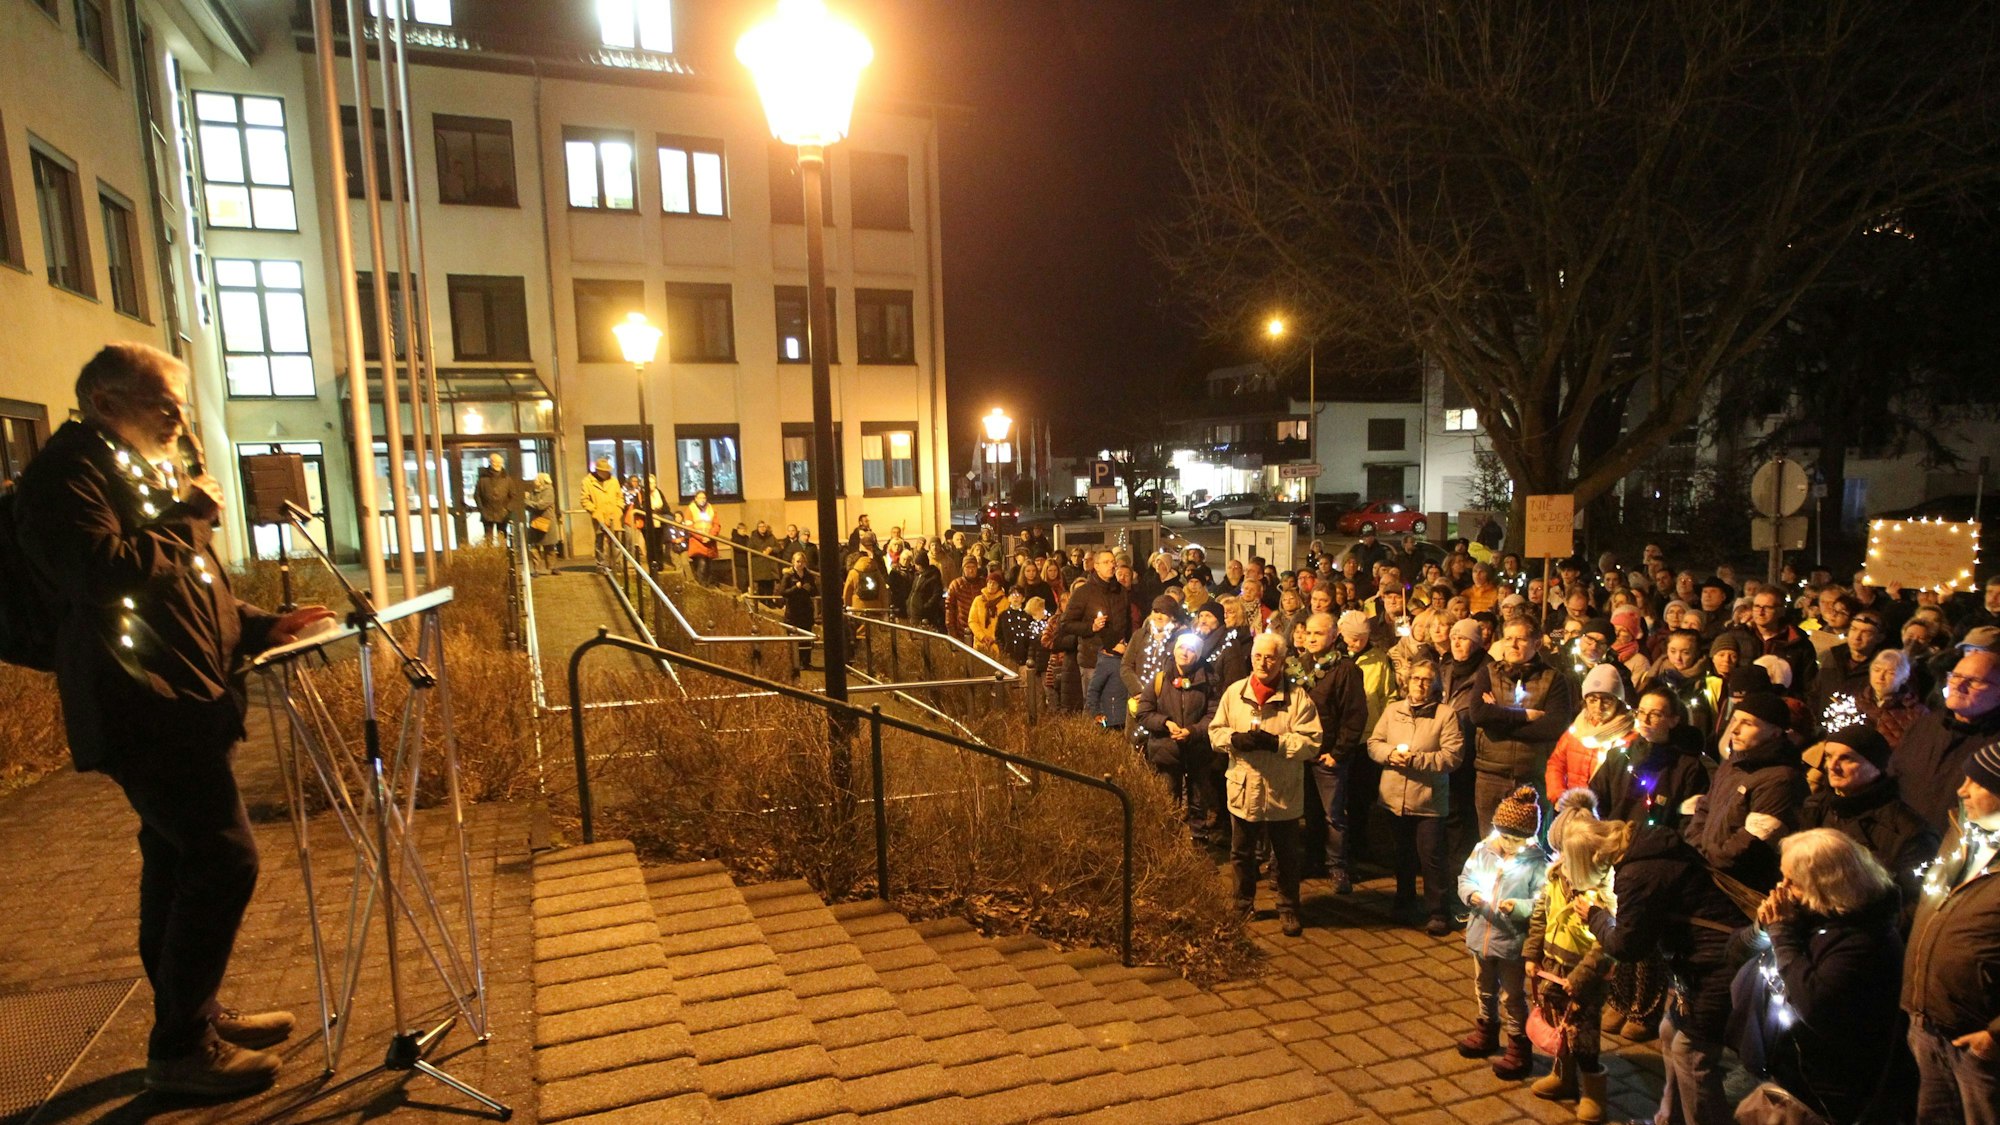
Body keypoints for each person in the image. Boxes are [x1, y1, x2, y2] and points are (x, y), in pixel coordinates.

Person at [15, 343, 336, 1096]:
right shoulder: (65, 477)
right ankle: (181, 1050)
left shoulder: (132, 467)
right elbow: (103, 573)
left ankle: (192, 1014)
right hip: (141, 706)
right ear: (105, 401)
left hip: (185, 701)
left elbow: (189, 587)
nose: (179, 418)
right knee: (224, 858)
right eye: (164, 402)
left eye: (181, 404)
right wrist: (189, 515)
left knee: (176, 859)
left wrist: (261, 625)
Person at [1732, 829, 1905, 1125]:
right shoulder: (1810, 915)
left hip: (1824, 1095)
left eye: (1793, 882)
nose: (1782, 889)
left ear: (1825, 886)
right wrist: (1762, 927)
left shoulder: (1865, 940)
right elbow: (1735, 952)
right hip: (1787, 1074)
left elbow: (1812, 1003)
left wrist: (1782, 934)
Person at [1584, 818, 1750, 1125]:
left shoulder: (1637, 872)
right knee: (1669, 1031)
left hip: (1718, 965)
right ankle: (1670, 1118)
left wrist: (1595, 917)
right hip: (1701, 961)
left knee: (1692, 1052)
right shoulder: (1649, 846)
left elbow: (1627, 946)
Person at [1902, 741, 2000, 1124]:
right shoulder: (1960, 835)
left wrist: (1994, 1037)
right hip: (1927, 1026)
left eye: (1977, 782)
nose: (1962, 790)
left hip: (1979, 1046)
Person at [1209, 633, 1323, 937]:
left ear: (1281, 661)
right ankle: (1242, 904)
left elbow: (1312, 741)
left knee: (1286, 855)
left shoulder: (1297, 698)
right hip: (1244, 787)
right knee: (1241, 853)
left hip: (1281, 788)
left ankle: (1288, 907)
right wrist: (1234, 739)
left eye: (1270, 657)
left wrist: (1278, 744)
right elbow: (1215, 731)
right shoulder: (1235, 693)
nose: (1263, 662)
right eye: (1258, 656)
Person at [1524, 811, 1621, 1121]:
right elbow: (1540, 917)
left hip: (1584, 978)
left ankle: (1593, 1091)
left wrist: (1579, 978)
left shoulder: (1602, 899)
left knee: (1583, 1034)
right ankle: (1563, 1076)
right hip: (1553, 968)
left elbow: (1605, 947)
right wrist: (1532, 954)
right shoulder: (1555, 880)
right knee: (1557, 1024)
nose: (1564, 865)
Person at [1800, 726, 1937, 927]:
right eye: (1829, 756)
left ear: (1876, 766)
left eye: (1846, 758)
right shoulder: (1816, 809)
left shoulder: (1908, 831)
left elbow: (1916, 906)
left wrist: (1864, 933)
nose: (1833, 766)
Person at [1457, 785, 1550, 1080]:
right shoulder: (1483, 850)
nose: (1509, 844)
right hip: (1480, 936)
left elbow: (1542, 902)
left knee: (1512, 995)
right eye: (1505, 836)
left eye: (1516, 840)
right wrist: (1470, 894)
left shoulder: (1537, 864)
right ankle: (1486, 1030)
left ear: (1529, 837)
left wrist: (1519, 907)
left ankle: (1518, 1046)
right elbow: (1465, 877)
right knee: (1483, 987)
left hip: (1511, 942)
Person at [1368, 659, 1465, 934]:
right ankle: (1404, 903)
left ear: (1435, 685)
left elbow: (1453, 756)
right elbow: (1374, 743)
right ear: (1407, 682)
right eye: (1415, 678)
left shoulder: (1445, 715)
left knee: (1431, 856)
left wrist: (1416, 760)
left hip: (1428, 800)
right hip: (1394, 797)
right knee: (1402, 855)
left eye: (1426, 679)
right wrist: (1390, 754)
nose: (1420, 684)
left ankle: (1438, 912)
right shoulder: (1393, 710)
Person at [1684, 693, 1806, 894]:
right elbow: (1705, 807)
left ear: (1775, 733)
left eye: (1748, 723)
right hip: (1709, 876)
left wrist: (1706, 859)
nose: (1735, 729)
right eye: (1735, 720)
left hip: (1742, 889)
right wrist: (1695, 850)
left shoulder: (1782, 779)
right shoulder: (1733, 763)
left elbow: (1752, 845)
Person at [1471, 621, 1577, 833]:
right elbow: (1479, 714)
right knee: (1490, 843)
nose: (1513, 645)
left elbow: (1553, 726)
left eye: (1520, 639)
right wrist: (1526, 716)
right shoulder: (1488, 673)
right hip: (1491, 776)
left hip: (1531, 777)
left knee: (1529, 842)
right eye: (1508, 638)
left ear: (1536, 644)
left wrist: (1498, 720)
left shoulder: (1553, 679)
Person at [1294, 612, 1370, 892]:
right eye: (1308, 632)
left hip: (1328, 755)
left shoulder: (1345, 669)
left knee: (1334, 815)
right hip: (1302, 752)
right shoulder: (1298, 666)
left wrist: (1338, 752)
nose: (1311, 638)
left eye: (1318, 633)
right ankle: (1311, 859)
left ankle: (1337, 865)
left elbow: (1354, 715)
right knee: (1308, 811)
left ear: (1334, 635)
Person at [1892, 646, 2000, 832]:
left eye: (1974, 681)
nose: (1958, 685)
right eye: (1955, 676)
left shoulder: (1996, 750)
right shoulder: (1925, 725)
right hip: (1902, 840)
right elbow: (1894, 776)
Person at [1135, 632, 1221, 822]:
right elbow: (1143, 712)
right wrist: (1165, 723)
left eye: (1191, 650)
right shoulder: (1160, 679)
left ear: (1197, 655)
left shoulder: (1208, 682)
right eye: (1181, 648)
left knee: (1198, 804)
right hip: (1166, 752)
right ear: (1174, 651)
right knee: (1167, 803)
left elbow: (1214, 715)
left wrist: (1193, 731)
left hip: (1197, 753)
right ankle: (1169, 837)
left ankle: (1198, 836)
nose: (1185, 653)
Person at [1061, 550, 1133, 730]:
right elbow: (1066, 624)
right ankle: (1093, 741)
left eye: (1113, 562)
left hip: (1118, 658)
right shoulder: (1084, 592)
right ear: (1096, 566)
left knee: (1116, 707)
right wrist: (1090, 627)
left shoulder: (1121, 591)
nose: (1112, 565)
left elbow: (1127, 624)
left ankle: (1114, 741)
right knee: (1094, 706)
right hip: (1092, 659)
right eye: (1106, 562)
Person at [1544, 665, 1634, 801]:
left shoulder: (1628, 737)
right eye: (1593, 699)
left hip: (1606, 810)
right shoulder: (1577, 730)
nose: (1598, 706)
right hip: (1573, 806)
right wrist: (1559, 796)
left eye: (1606, 699)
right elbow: (1556, 763)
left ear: (1618, 701)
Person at [580, 457, 624, 565]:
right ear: (597, 470)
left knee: (616, 541)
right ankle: (601, 565)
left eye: (607, 471)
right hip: (599, 516)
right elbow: (584, 499)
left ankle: (616, 564)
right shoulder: (588, 482)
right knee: (600, 541)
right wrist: (594, 511)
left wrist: (619, 509)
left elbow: (620, 497)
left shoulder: (614, 481)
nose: (606, 473)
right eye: (603, 471)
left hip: (614, 515)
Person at [778, 551, 817, 669]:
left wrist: (809, 589)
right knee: (794, 638)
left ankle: (806, 662)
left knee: (806, 637)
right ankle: (794, 661)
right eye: (798, 561)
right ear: (793, 562)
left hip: (806, 611)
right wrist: (796, 587)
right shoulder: (788, 576)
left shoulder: (809, 576)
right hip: (793, 612)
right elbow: (783, 592)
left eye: (802, 562)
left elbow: (815, 592)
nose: (800, 564)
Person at [471, 451, 515, 546]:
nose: (498, 464)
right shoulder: (483, 479)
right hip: (487, 513)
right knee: (488, 538)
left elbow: (513, 496)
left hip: (503, 514)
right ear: (491, 463)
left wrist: (507, 509)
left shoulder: (507, 479)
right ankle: (490, 554)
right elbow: (477, 495)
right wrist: (482, 509)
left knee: (502, 537)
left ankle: (503, 554)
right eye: (496, 462)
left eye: (500, 462)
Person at [522, 472, 557, 574]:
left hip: (547, 521)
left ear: (542, 480)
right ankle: (536, 569)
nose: (535, 480)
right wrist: (531, 503)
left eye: (537, 479)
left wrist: (528, 501)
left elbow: (541, 506)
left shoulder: (549, 491)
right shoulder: (533, 491)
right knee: (534, 547)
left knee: (549, 546)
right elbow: (529, 506)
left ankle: (552, 567)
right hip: (535, 522)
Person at [684, 490, 719, 584]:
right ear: (695, 499)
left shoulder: (711, 509)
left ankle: (707, 584)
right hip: (697, 543)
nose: (702, 500)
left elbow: (716, 525)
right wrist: (701, 537)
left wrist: (710, 536)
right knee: (701, 565)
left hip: (709, 543)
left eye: (704, 498)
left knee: (709, 566)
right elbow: (689, 527)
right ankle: (701, 585)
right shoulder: (691, 509)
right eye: (700, 498)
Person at [747, 519, 783, 603]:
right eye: (760, 527)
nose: (762, 528)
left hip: (770, 567)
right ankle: (763, 602)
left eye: (764, 526)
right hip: (759, 567)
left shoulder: (771, 537)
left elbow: (778, 548)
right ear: (757, 528)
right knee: (761, 587)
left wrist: (771, 549)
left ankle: (770, 602)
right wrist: (761, 552)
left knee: (770, 586)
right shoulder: (753, 538)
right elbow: (749, 550)